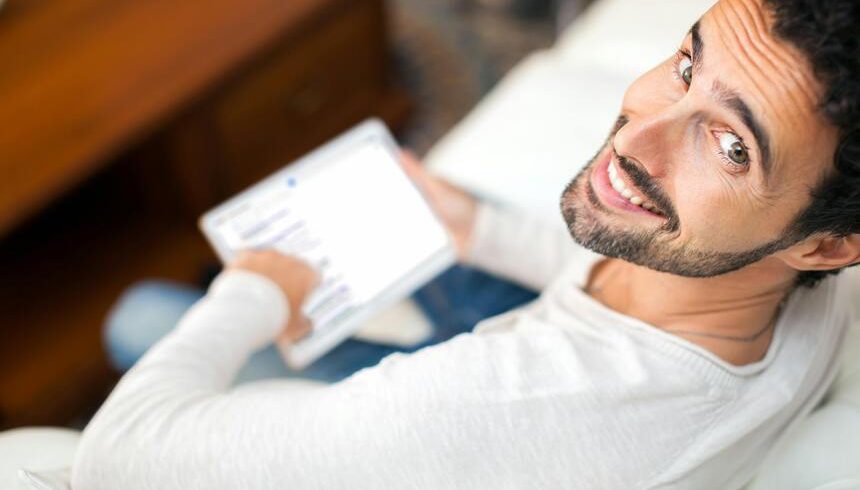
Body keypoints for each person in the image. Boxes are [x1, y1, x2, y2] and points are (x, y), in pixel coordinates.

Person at [72, 0, 860, 488]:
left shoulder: (491, 406)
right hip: (530, 356)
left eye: (730, 147)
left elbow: (117, 457)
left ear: (827, 246)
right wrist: (475, 229)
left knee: (139, 316)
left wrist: (256, 291)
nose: (636, 136)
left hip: (463, 433)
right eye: (687, 63)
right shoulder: (791, 280)